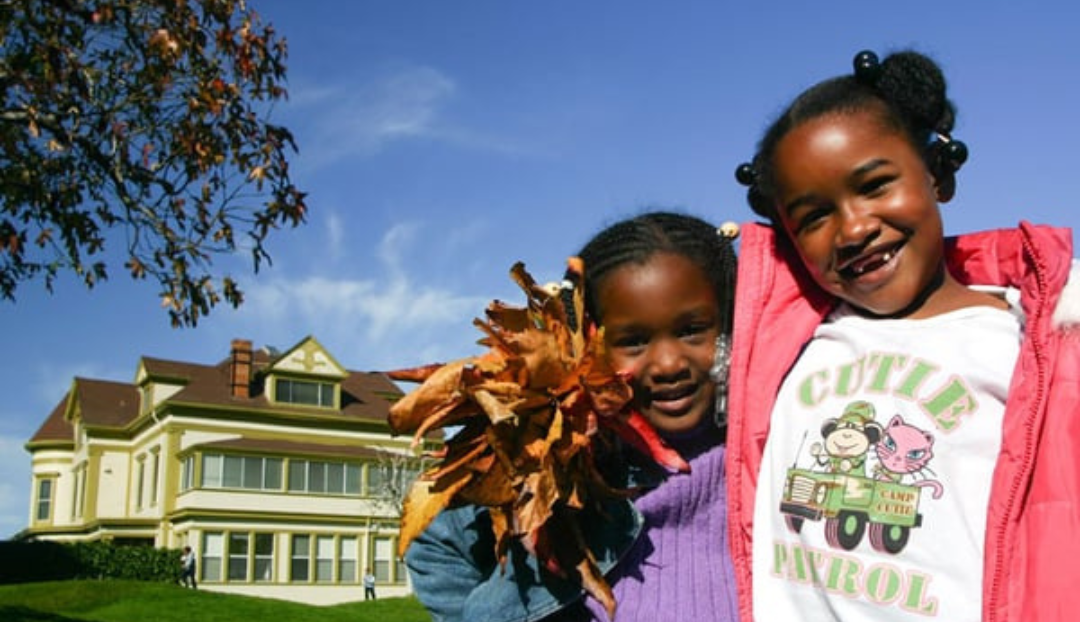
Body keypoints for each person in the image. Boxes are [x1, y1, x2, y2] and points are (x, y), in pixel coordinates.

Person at [728, 49, 1079, 622]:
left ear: (936, 175)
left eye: (875, 185)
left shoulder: (1030, 346)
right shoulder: (783, 353)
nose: (855, 228)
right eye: (813, 217)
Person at [404, 211, 740, 621]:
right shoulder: (561, 465)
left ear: (732, 323)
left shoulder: (779, 450)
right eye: (632, 341)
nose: (668, 363)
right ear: (585, 348)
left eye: (692, 330)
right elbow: (436, 541)